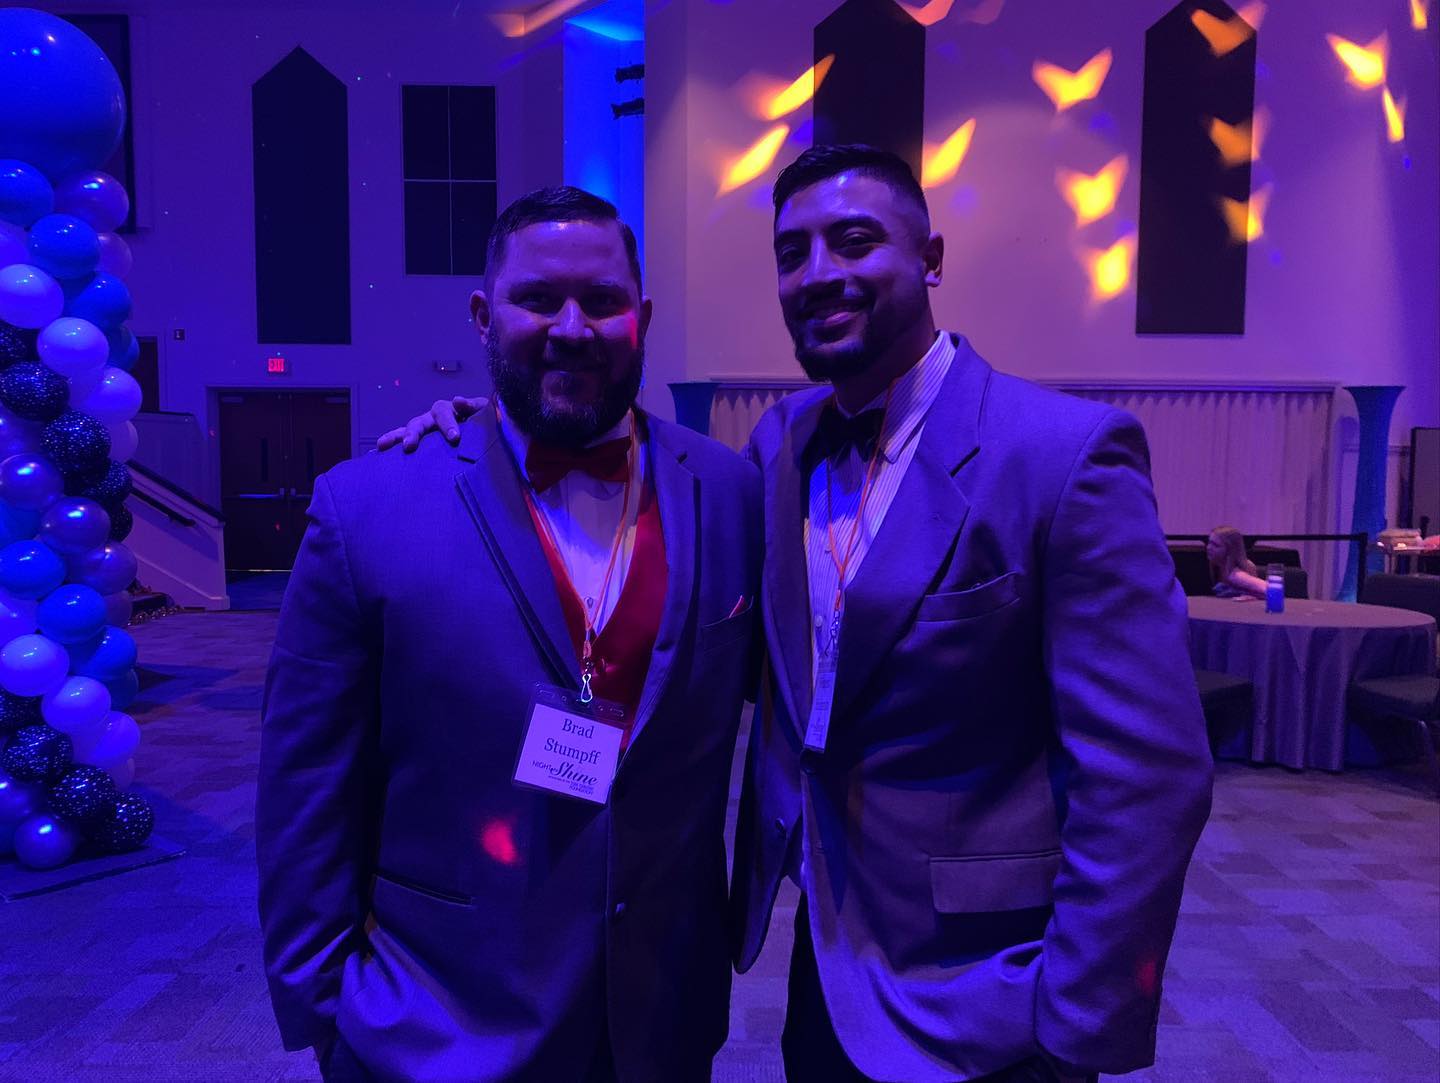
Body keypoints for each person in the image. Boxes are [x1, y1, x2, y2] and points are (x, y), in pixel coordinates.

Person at [382, 146, 1213, 1083]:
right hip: (824, 965)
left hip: (992, 993)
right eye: (792, 253)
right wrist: (496, 429)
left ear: (931, 257)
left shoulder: (1063, 455)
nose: (819, 273)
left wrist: (1076, 1020)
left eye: (854, 241)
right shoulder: (777, 447)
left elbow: (1149, 772)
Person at [258, 187, 762, 1083]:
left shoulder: (731, 494)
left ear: (641, 318)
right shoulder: (368, 507)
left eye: (601, 300)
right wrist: (327, 1013)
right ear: (485, 316)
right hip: (436, 1026)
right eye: (537, 299)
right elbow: (305, 789)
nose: (571, 327)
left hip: (663, 1021)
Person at [1205, 525, 1267, 599]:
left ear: (1230, 550)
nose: (1209, 548)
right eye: (1209, 543)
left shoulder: (1236, 575)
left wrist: (1254, 597)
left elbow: (1270, 590)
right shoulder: (1219, 567)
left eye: (1216, 545)